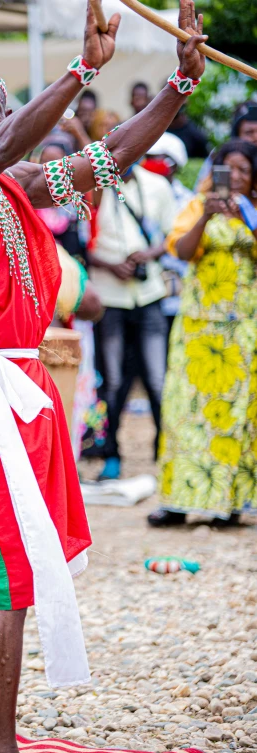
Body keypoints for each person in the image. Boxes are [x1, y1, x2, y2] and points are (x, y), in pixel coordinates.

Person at [0, 2, 206, 753]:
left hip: (23, 385)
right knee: (13, 574)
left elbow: (107, 161)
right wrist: (81, 71)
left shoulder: (13, 188)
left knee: (2, 562)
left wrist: (178, 86)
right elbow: (3, 148)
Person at [149, 139, 257, 528]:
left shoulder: (255, 209)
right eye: (230, 168)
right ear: (216, 172)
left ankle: (229, 503)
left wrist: (246, 218)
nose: (238, 177)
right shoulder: (197, 205)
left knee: (234, 413)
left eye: (245, 169)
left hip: (243, 329)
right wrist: (207, 217)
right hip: (197, 327)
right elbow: (179, 251)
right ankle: (178, 502)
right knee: (185, 410)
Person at [88, 153, 178, 480]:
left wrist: (148, 254)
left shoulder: (156, 186)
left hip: (149, 293)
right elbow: (80, 241)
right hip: (108, 297)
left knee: (157, 378)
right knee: (111, 381)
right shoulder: (92, 187)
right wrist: (111, 265)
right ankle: (111, 455)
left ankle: (166, 453)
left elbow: (175, 235)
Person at [143, 132, 193, 336]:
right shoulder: (139, 194)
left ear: (172, 163)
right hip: (146, 291)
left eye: (156, 158)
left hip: (178, 292)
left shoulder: (189, 201)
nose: (149, 163)